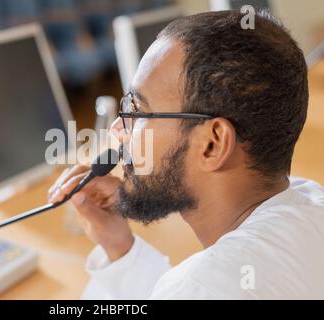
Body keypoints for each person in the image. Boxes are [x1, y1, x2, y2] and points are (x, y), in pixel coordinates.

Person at [48, 10, 324, 299]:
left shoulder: (204, 287)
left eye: (137, 110)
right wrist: (120, 249)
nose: (118, 129)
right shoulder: (312, 201)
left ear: (212, 143)